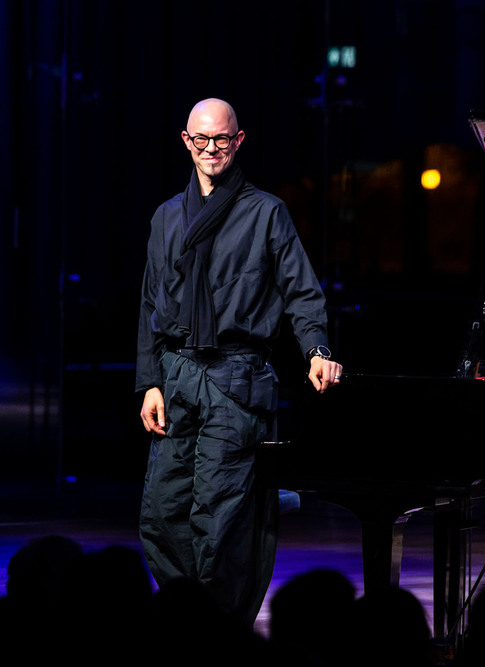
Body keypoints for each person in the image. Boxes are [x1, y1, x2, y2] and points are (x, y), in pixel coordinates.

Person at [136, 98, 342, 625]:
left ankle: (218, 633)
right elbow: (150, 305)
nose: (211, 150)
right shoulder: (166, 217)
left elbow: (302, 292)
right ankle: (193, 619)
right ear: (186, 141)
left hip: (236, 377)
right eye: (201, 140)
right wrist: (150, 383)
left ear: (239, 140)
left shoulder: (265, 212)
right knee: (160, 517)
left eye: (221, 140)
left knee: (218, 517)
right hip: (178, 376)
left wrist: (317, 350)